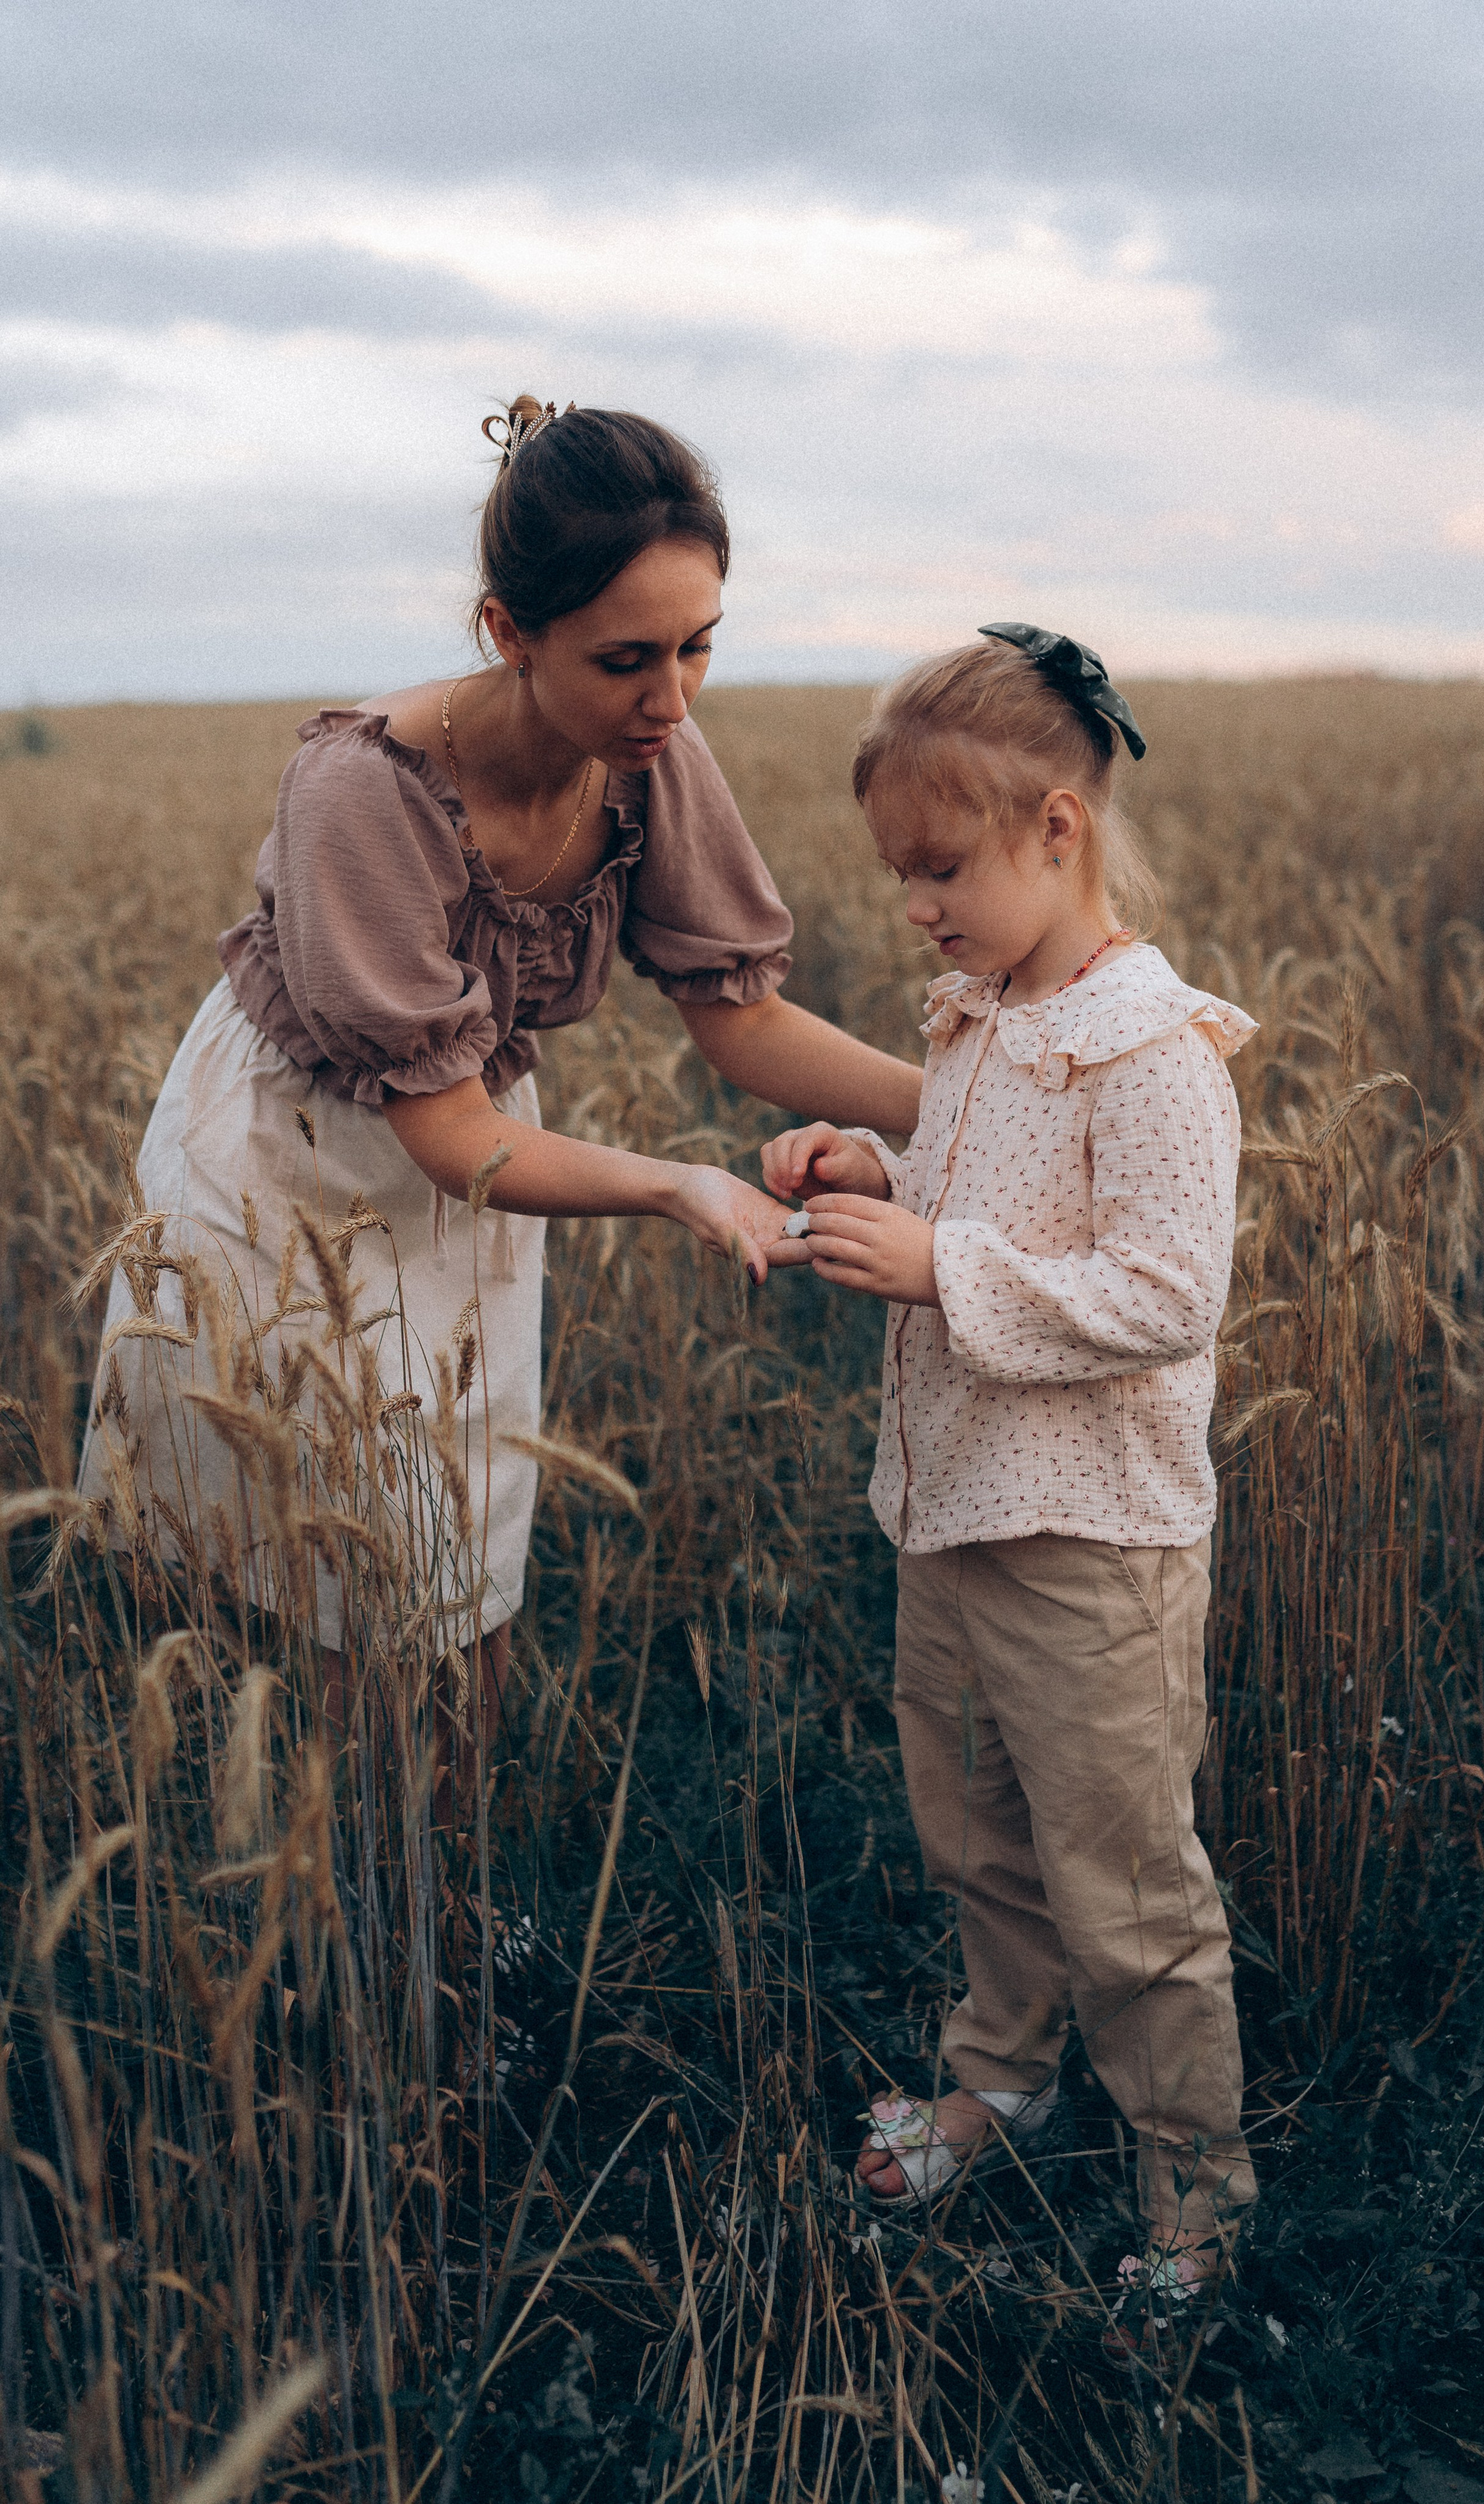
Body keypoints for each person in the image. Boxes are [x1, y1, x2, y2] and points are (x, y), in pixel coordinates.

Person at [78, 396, 922, 1750]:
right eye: (626, 658)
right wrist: (681, 1187)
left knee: (461, 1535)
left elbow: (741, 1020)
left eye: (700, 646)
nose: (670, 697)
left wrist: (974, 1096)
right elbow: (444, 1134)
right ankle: (313, 1889)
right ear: (506, 632)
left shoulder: (649, 758)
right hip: (296, 1143)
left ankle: (452, 1900)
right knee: (314, 1543)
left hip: (480, 1143)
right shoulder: (366, 789)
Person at [762, 625, 1258, 2315]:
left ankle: (1193, 2189)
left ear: (1060, 828)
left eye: (943, 866)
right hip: (952, 1507)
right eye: (900, 872)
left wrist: (936, 1268)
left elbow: (1168, 1293)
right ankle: (1006, 2071)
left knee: (1126, 1883)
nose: (917, 905)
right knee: (972, 1830)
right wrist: (870, 1163)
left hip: (1091, 1541)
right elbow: (987, 1188)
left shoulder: (1152, 1046)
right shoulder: (979, 1015)